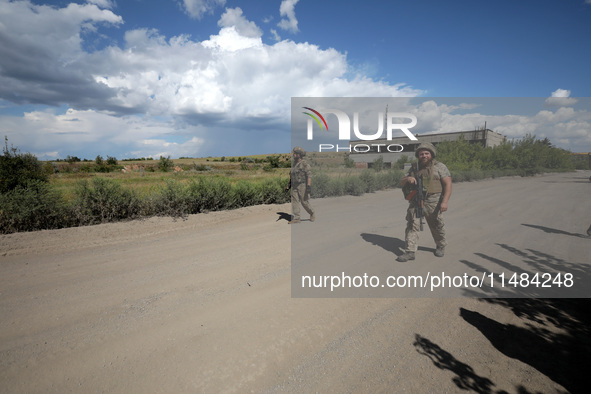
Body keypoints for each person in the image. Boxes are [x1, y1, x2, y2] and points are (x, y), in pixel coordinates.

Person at [397, 142, 452, 261]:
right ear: (418, 155)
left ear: (431, 154)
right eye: (421, 154)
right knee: (412, 224)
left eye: (427, 153)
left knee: (436, 225)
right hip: (416, 200)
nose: (424, 156)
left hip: (434, 201)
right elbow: (401, 181)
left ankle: (440, 245)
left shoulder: (440, 167)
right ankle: (410, 251)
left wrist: (445, 201)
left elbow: (448, 184)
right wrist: (408, 178)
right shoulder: (414, 167)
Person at [286, 147, 315, 224]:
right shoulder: (294, 164)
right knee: (294, 201)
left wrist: (308, 186)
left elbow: (309, 175)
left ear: (299, 154)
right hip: (294, 185)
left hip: (302, 185)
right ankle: (297, 218)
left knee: (304, 202)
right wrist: (289, 185)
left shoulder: (304, 164)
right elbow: (291, 175)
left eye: (295, 153)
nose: (293, 155)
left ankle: (312, 213)